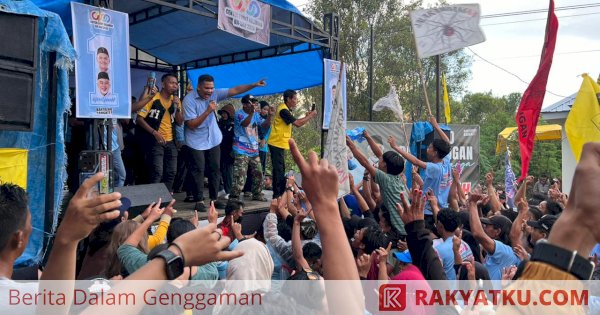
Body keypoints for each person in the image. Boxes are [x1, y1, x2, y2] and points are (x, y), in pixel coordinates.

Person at [183, 74, 266, 211]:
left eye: (212, 88)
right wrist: (208, 111)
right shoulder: (188, 100)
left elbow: (236, 90)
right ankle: (199, 200)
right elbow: (191, 125)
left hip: (213, 138)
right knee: (198, 169)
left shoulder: (215, 94)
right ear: (198, 87)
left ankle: (214, 199)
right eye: (207, 88)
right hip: (196, 140)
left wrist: (254, 84)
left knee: (215, 168)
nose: (210, 91)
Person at [388, 116, 452, 228]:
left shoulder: (435, 168)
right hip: (441, 209)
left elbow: (416, 161)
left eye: (430, 148)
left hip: (429, 212)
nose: (427, 149)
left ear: (435, 153)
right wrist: (436, 126)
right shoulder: (446, 162)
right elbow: (447, 143)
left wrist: (395, 147)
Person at [347, 131, 408, 236]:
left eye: (381, 160)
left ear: (384, 165)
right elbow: (380, 154)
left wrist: (351, 146)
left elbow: (365, 162)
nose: (379, 159)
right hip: (404, 226)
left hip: (398, 231)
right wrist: (368, 137)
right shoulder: (397, 176)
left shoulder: (386, 179)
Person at [136, 73, 183, 192]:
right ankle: (153, 200)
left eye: (176, 84)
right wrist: (154, 132)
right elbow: (139, 119)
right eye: (171, 83)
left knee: (171, 171)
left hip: (171, 141)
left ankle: (166, 199)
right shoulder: (153, 98)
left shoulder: (175, 100)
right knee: (157, 172)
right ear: (163, 84)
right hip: (155, 140)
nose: (175, 86)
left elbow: (179, 121)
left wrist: (177, 108)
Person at [267, 89, 317, 198]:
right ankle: (278, 195)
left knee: (280, 168)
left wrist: (307, 116)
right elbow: (298, 123)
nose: (296, 101)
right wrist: (311, 116)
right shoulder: (283, 110)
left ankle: (279, 193)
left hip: (280, 142)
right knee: (278, 169)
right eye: (294, 98)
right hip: (276, 142)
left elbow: (297, 121)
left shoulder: (287, 110)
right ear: (288, 99)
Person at [230, 95, 272, 201]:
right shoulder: (239, 114)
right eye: (251, 103)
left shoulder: (256, 115)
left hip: (253, 150)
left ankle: (257, 194)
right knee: (240, 174)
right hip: (240, 149)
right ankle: (234, 196)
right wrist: (253, 112)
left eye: (254, 103)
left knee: (258, 172)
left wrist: (270, 116)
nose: (253, 105)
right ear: (244, 104)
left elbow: (264, 125)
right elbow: (245, 124)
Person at [217, 103, 235, 200]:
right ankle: (220, 189)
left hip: (229, 151)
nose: (223, 115)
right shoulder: (219, 123)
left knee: (228, 172)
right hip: (220, 150)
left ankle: (229, 191)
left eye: (225, 113)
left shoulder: (233, 124)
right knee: (218, 170)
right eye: (222, 113)